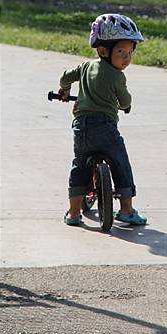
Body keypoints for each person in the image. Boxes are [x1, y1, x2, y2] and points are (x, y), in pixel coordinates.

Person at [58, 13, 147, 227]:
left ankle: (73, 212)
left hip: (81, 126)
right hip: (105, 127)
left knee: (79, 165)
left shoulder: (86, 67)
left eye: (129, 52)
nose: (126, 57)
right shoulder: (117, 76)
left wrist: (65, 90)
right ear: (103, 50)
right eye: (121, 52)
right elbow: (124, 100)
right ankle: (126, 210)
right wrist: (126, 105)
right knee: (120, 162)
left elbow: (65, 76)